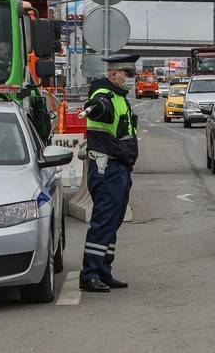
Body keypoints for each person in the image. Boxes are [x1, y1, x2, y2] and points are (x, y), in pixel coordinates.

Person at [79, 53, 140, 293]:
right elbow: (96, 108)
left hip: (120, 167)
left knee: (113, 221)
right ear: (114, 74)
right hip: (107, 168)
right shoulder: (103, 96)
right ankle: (90, 274)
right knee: (104, 221)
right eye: (128, 74)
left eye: (133, 74)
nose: (131, 79)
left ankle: (104, 270)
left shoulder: (120, 97)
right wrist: (95, 108)